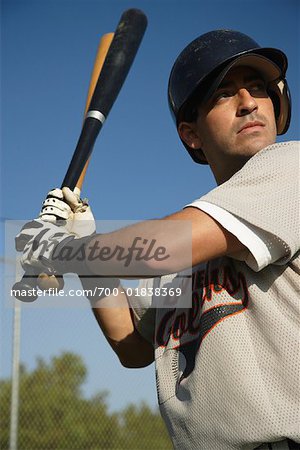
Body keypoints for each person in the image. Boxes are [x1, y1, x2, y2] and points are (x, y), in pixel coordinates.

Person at [14, 30, 299, 449]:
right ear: (191, 134)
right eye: (224, 93)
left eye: (258, 88)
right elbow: (132, 345)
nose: (248, 102)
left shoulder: (291, 168)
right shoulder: (190, 253)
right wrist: (85, 250)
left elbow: (163, 245)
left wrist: (66, 248)